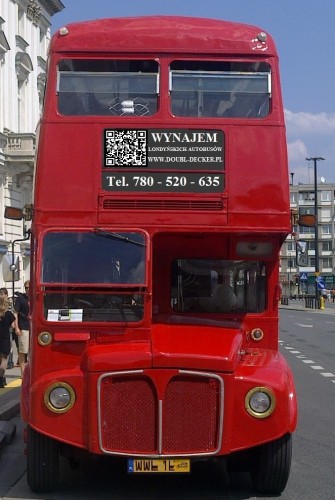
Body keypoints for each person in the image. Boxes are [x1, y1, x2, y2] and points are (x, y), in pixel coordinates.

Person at [14, 280, 30, 376]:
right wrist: (17, 327)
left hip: (34, 329)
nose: (28, 290)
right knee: (23, 351)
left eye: (29, 287)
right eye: (26, 288)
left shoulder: (36, 298)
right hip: (23, 327)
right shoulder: (20, 298)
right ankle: (23, 374)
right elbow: (15, 313)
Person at [0, 294, 16, 388]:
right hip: (5, 338)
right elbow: (13, 326)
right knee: (4, 360)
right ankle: (1, 379)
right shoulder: (8, 314)